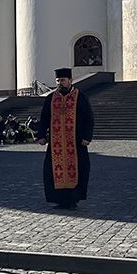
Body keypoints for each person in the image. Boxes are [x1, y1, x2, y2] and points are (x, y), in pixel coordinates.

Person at [37, 68, 95, 210]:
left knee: (78, 169)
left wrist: (87, 137)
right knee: (53, 170)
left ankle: (73, 200)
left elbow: (89, 118)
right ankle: (59, 200)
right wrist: (41, 135)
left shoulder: (80, 97)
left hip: (76, 143)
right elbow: (44, 118)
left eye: (63, 80)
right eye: (58, 81)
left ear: (70, 80)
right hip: (56, 144)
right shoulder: (51, 98)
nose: (60, 83)